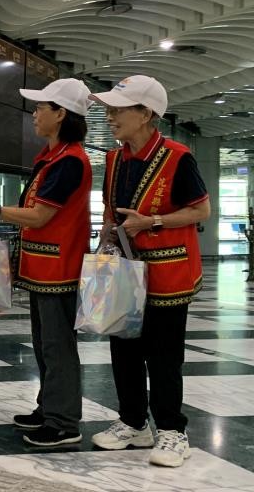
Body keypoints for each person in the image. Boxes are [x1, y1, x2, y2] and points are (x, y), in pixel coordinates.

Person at [0, 79, 93, 445]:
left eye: (40, 107)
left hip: (59, 270)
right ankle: (49, 407)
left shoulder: (70, 162)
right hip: (41, 268)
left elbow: (39, 217)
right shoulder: (50, 159)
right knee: (43, 343)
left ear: (61, 113)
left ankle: (64, 421)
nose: (34, 114)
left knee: (57, 346)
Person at [87, 75, 210, 467]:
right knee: (123, 348)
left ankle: (173, 432)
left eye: (118, 109)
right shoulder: (113, 159)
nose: (109, 116)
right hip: (123, 270)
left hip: (168, 273)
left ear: (146, 114)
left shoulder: (177, 156)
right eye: (109, 109)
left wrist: (152, 221)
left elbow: (201, 211)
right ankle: (133, 422)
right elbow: (111, 211)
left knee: (163, 355)